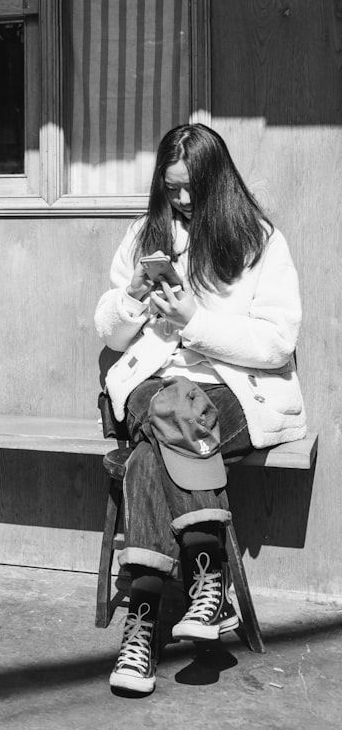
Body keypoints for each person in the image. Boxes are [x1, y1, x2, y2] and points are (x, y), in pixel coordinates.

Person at [95, 124, 306, 696]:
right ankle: (208, 581)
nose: (181, 201)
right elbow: (112, 336)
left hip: (233, 389)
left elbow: (276, 344)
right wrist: (133, 296)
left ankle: (140, 627)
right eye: (171, 189)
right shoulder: (145, 232)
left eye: (191, 189)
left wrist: (194, 321)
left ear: (218, 181)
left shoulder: (260, 240)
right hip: (152, 383)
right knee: (174, 411)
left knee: (148, 457)